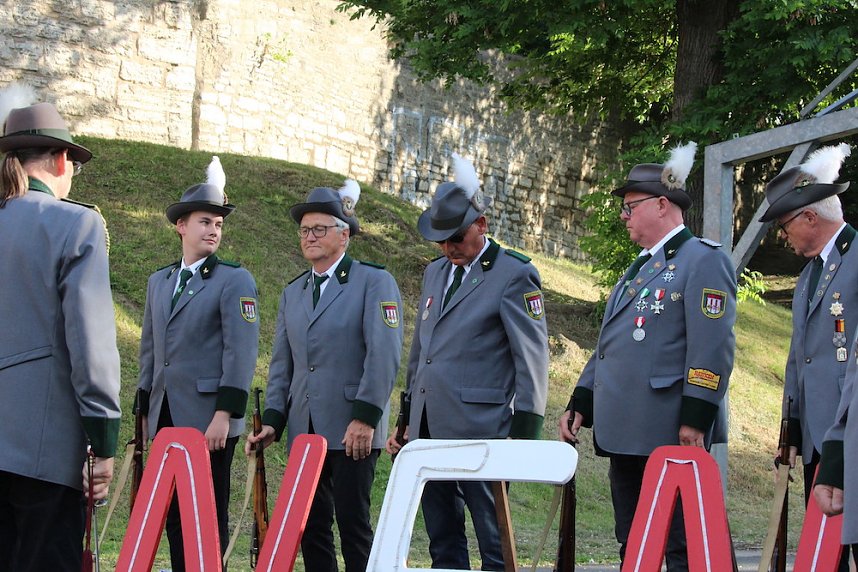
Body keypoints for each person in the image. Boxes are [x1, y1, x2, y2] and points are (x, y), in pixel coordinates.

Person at [559, 142, 736, 571]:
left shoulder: (702, 260)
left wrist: (697, 415)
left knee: (681, 544)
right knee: (635, 542)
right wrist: (581, 400)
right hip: (625, 429)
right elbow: (610, 345)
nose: (624, 216)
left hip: (668, 428)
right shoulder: (640, 266)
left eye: (630, 206)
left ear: (662, 204)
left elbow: (712, 348)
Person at [386, 153, 549, 570]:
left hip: (485, 429)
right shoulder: (435, 272)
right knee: (442, 540)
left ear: (482, 225)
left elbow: (530, 356)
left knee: (493, 541)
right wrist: (406, 419)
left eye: (455, 237)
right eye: (440, 239)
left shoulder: (513, 274)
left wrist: (524, 434)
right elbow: (423, 352)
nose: (447, 247)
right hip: (429, 426)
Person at [247, 180, 403, 572]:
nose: (310, 237)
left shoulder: (373, 281)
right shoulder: (293, 292)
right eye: (304, 230)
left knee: (354, 525)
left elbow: (383, 355)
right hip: (306, 427)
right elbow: (283, 365)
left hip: (352, 428)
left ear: (344, 234)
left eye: (319, 229)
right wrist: (274, 422)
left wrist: (366, 417)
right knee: (312, 527)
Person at [0, 84, 121, 571]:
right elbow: (91, 345)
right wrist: (103, 441)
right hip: (44, 452)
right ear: (58, 160)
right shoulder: (75, 224)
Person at [136, 156, 259, 571]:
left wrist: (225, 414)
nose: (213, 230)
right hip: (166, 415)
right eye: (205, 222)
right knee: (171, 514)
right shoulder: (160, 281)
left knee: (206, 517)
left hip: (209, 419)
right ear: (181, 225)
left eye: (219, 224)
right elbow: (150, 351)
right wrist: (144, 415)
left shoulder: (233, 279)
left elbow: (239, 354)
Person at [760, 143, 854, 569]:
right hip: (819, 439)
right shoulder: (807, 277)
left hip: (851, 436)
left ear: (810, 217)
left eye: (784, 226)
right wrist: (791, 428)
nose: (783, 236)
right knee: (825, 553)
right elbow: (800, 360)